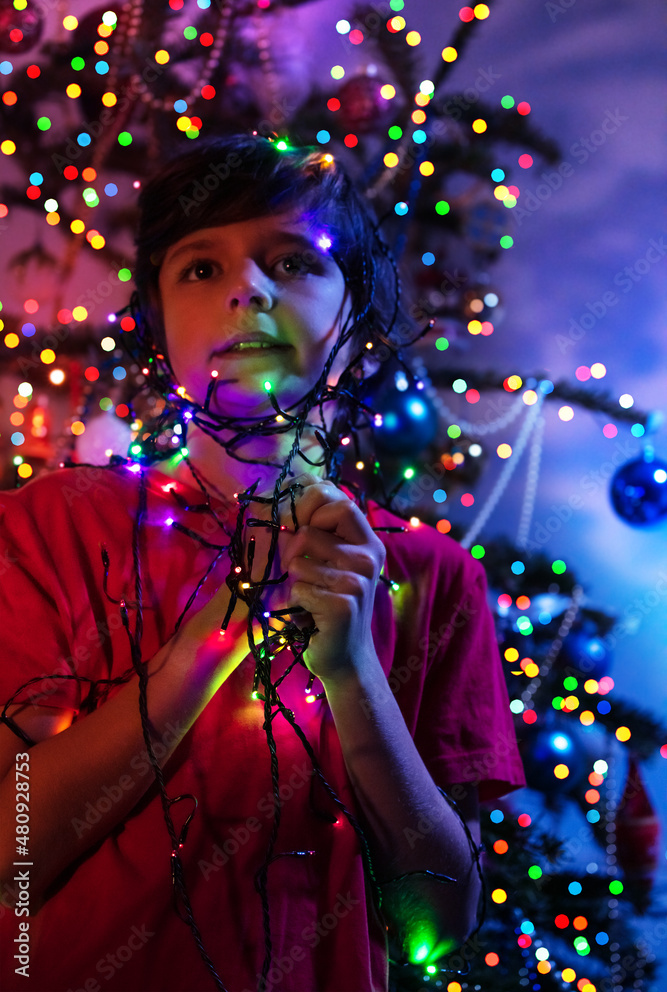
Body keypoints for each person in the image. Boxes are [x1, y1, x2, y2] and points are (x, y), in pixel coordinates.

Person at [0, 133, 525, 992]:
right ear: (156, 331)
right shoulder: (49, 530)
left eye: (291, 261)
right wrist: (190, 668)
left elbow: (438, 923)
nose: (246, 289)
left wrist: (354, 673)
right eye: (200, 270)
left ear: (356, 320)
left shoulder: (430, 577)